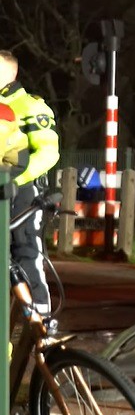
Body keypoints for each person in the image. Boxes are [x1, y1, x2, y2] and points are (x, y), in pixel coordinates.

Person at [0, 50, 59, 317]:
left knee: (25, 249)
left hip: (23, 190)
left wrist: (14, 180)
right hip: (3, 190)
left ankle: (42, 321)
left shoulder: (30, 106)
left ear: (9, 74)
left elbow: (48, 153)